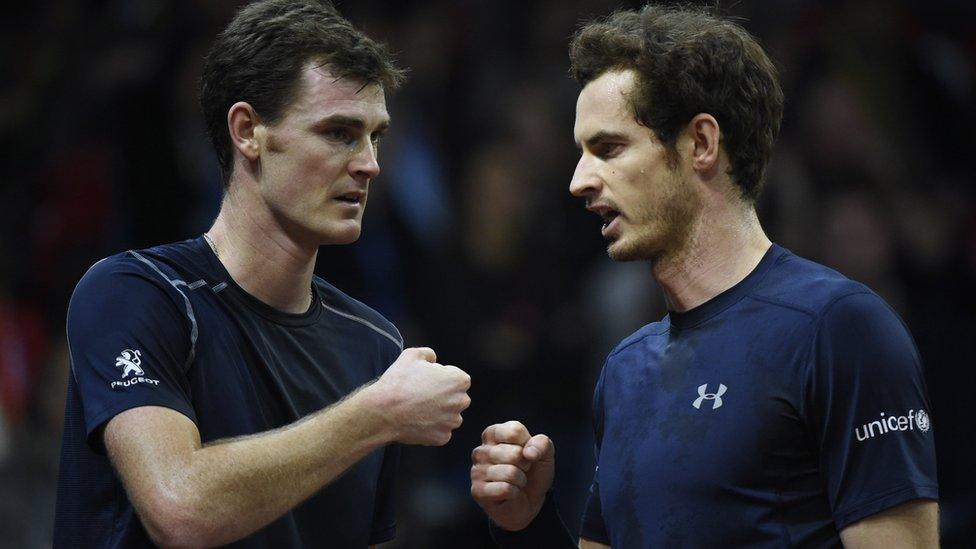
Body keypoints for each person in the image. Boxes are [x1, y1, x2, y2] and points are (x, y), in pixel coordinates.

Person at [471, 6, 938, 548]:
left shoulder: (839, 329)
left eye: (608, 148)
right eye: (581, 153)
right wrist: (525, 526)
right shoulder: (624, 371)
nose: (579, 181)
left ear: (700, 144)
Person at [53, 1, 472, 547]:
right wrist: (376, 414)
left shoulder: (374, 345)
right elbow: (180, 509)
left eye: (377, 137)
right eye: (340, 133)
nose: (370, 163)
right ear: (248, 131)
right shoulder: (134, 295)